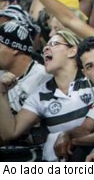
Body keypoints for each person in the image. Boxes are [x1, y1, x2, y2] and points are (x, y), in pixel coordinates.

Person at [0, 30, 94, 161]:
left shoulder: (93, 81)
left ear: (72, 51)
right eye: (46, 45)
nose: (45, 48)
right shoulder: (40, 94)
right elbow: (10, 132)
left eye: (54, 44)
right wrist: (2, 92)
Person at [0, 20, 50, 161]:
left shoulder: (43, 77)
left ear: (15, 48)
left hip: (37, 156)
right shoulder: (1, 74)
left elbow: (7, 134)